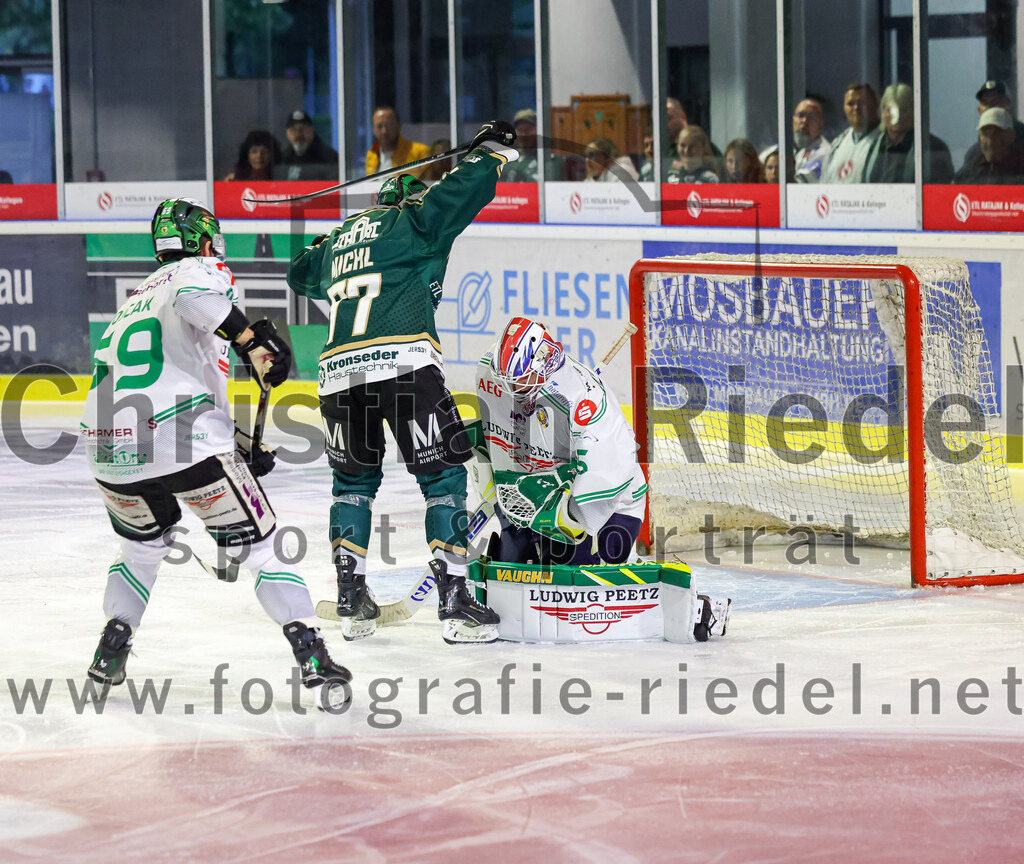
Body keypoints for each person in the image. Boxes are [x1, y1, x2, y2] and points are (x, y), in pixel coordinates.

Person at [82, 198, 350, 705]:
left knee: (140, 551)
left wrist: (241, 445)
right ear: (206, 242)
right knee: (263, 549)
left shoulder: (136, 298)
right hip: (178, 436)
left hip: (106, 444)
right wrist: (251, 340)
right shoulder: (195, 271)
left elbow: (180, 374)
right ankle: (312, 654)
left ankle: (110, 649)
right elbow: (195, 300)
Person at [285, 121, 519, 645]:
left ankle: (351, 597)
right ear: (409, 199)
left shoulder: (344, 239)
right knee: (443, 482)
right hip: (404, 366)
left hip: (337, 377)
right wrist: (493, 152)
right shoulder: (415, 221)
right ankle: (456, 602)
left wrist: (336, 238)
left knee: (351, 487)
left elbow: (298, 273)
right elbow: (462, 190)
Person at [862, 83, 954, 184]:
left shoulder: (933, 147)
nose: (897, 116)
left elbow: (940, 191)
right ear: (882, 113)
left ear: (915, 112)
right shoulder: (873, 147)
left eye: (904, 110)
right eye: (890, 110)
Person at [959, 80, 1024, 181]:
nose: (990, 107)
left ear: (1009, 105)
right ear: (979, 110)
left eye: (997, 101)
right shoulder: (973, 154)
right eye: (985, 102)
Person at [821, 83, 881, 183]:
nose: (856, 107)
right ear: (844, 108)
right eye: (850, 104)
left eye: (862, 102)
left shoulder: (884, 141)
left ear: (876, 104)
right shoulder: (837, 144)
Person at [954, 107, 1024, 184]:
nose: (990, 141)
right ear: (979, 137)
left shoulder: (1020, 170)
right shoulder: (967, 174)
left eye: (997, 133)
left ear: (1011, 136)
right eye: (985, 134)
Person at [364, 106, 430, 177]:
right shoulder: (371, 154)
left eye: (389, 125)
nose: (384, 131)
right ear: (373, 129)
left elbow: (428, 185)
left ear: (398, 125)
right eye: (379, 126)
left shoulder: (420, 152)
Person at [281, 109, 339, 181]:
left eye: (303, 129)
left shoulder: (329, 157)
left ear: (311, 130)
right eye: (294, 129)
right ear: (287, 134)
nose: (299, 134)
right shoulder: (282, 158)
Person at [792, 98, 829, 182]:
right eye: (801, 115)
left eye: (811, 117)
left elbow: (801, 183)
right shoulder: (799, 154)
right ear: (793, 121)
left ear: (821, 123)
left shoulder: (826, 152)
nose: (804, 121)